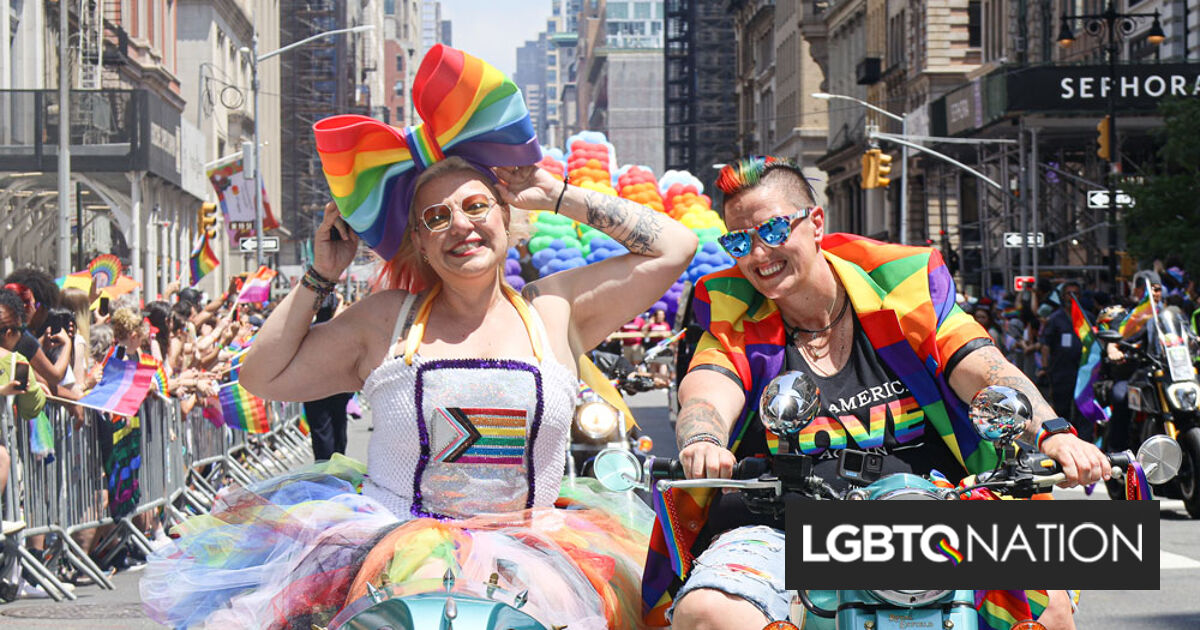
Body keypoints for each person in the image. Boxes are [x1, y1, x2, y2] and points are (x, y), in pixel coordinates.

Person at [141, 44, 697, 630]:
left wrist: (556, 193)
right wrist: (320, 274)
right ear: (421, 244)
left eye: (477, 206)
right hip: (393, 559)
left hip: (539, 567)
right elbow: (261, 375)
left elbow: (675, 247)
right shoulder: (387, 321)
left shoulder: (556, 310)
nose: (461, 225)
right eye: (436, 217)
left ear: (507, 219)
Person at [652, 156, 1109, 630]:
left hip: (935, 516)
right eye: (737, 240)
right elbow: (706, 391)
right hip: (785, 527)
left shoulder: (904, 293)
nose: (756, 255)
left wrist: (1055, 433)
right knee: (707, 611)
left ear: (815, 223)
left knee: (1049, 602)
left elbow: (984, 368)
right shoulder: (733, 311)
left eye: (770, 232)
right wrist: (702, 440)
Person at [300, 293, 353, 461]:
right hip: (338, 386)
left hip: (314, 388)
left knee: (321, 430)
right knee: (339, 426)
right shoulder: (341, 332)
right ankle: (338, 463)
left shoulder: (308, 332)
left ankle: (324, 467)